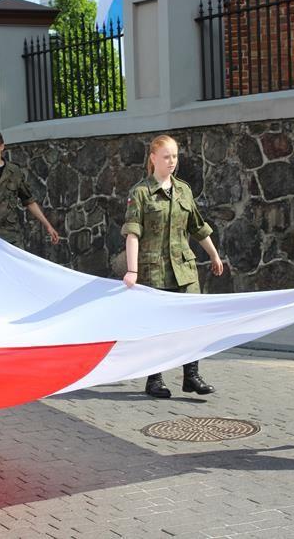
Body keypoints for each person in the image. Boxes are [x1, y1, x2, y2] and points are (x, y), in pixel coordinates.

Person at [121, 135, 224, 398]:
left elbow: (197, 227)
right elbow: (133, 233)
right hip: (154, 270)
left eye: (175, 156)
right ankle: (154, 379)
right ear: (153, 158)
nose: (172, 162)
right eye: (166, 157)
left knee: (193, 323)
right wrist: (132, 270)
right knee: (157, 327)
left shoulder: (183, 190)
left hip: (185, 269)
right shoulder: (141, 192)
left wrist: (214, 255)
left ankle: (191, 375)